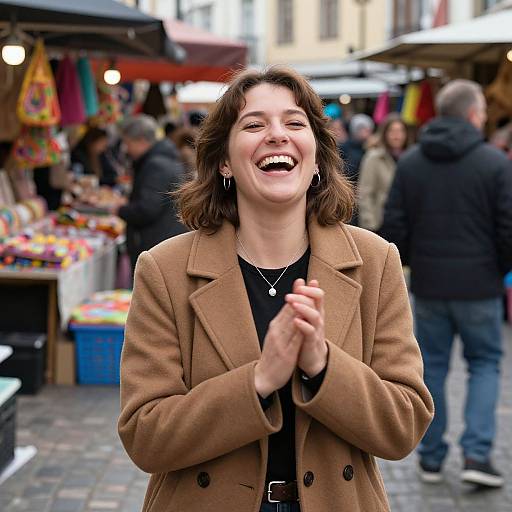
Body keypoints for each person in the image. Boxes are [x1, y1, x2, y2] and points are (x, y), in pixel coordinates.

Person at [118, 67, 433, 512]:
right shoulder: (164, 270)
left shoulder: (375, 262)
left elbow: (404, 425)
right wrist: (259, 379)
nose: (277, 135)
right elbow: (144, 435)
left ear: (318, 157)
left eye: (294, 122)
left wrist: (322, 366)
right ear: (224, 160)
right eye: (253, 124)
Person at [381, 79, 512, 487]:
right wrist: (496, 268)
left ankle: (432, 458)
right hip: (480, 286)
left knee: (432, 367)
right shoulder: (494, 163)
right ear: (473, 114)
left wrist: (414, 264)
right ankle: (476, 453)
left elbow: (394, 226)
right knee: (485, 364)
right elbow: (509, 229)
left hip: (430, 284)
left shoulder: (412, 162)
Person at [114, 114, 188, 272]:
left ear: (141, 141)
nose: (127, 149)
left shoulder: (156, 165)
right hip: (163, 239)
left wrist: (119, 210)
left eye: (128, 143)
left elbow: (147, 209)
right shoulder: (164, 159)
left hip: (156, 241)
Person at [358, 113, 409, 233]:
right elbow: (365, 193)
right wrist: (370, 225)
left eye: (401, 131)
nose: (397, 136)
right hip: (380, 224)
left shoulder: (410, 159)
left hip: (404, 225)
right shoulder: (374, 157)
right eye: (392, 131)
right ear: (385, 133)